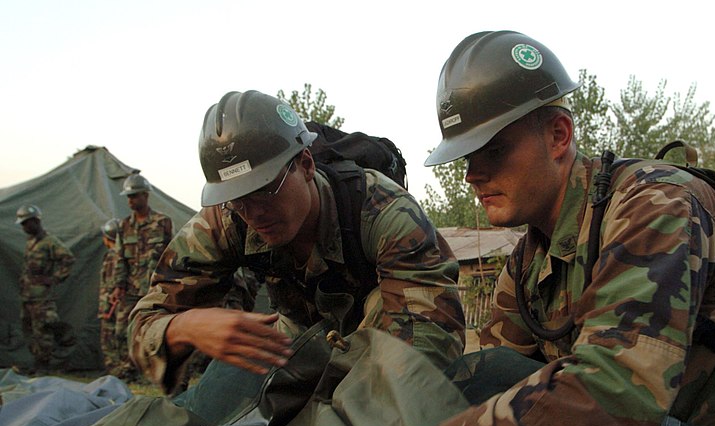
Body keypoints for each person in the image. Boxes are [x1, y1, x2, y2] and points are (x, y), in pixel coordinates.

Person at [267, 30, 715, 426]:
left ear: (559, 135)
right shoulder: (526, 266)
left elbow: (616, 391)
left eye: (492, 150)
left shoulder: (655, 203)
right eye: (465, 156)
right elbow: (494, 385)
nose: (473, 174)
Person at [128, 90, 466, 395]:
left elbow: (429, 349)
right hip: (294, 347)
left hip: (380, 347)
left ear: (305, 164)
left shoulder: (385, 212)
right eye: (237, 199)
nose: (253, 214)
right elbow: (144, 323)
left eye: (264, 190)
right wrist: (184, 327)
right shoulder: (228, 219)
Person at [111, 173, 173, 381]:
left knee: (157, 329)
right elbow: (119, 258)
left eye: (135, 196)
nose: (131, 200)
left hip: (154, 288)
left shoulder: (162, 222)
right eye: (128, 197)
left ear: (146, 196)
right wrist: (118, 285)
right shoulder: (123, 226)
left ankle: (155, 370)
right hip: (130, 288)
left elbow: (169, 256)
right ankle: (127, 370)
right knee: (122, 330)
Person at [15, 205, 75, 373]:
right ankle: (37, 362)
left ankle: (45, 365)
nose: (24, 227)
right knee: (30, 331)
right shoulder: (31, 242)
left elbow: (68, 258)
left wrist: (54, 278)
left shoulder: (50, 242)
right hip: (27, 296)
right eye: (22, 224)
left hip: (42, 298)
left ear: (36, 221)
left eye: (26, 223)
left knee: (44, 330)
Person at [98, 218, 127, 377]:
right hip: (117, 302)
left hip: (111, 303)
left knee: (110, 338)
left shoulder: (113, 256)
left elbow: (110, 282)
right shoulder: (123, 254)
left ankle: (117, 372)